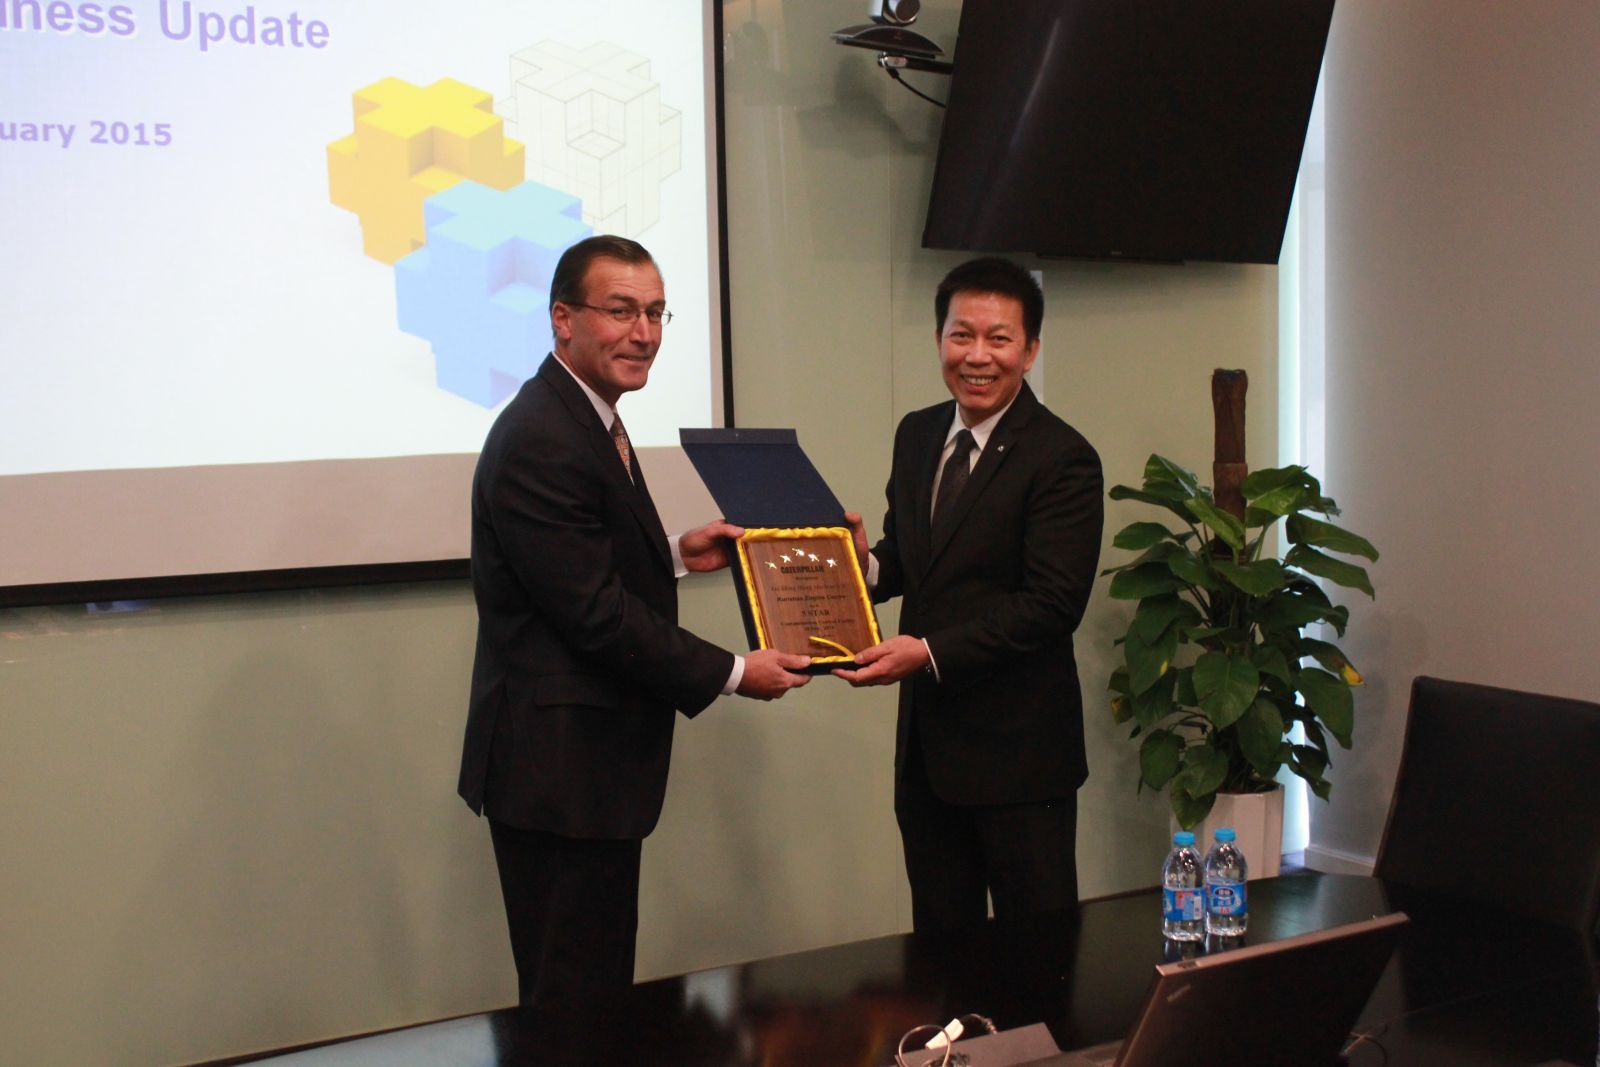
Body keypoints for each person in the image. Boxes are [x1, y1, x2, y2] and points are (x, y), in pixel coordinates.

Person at [457, 235, 811, 1005]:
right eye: (621, 311)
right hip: (560, 777)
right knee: (573, 1005)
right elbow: (594, 613)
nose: (643, 333)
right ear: (563, 318)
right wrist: (733, 671)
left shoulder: (586, 417)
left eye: (656, 313)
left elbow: (579, 566)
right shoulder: (544, 436)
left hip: (584, 773)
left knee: (594, 992)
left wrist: (677, 553)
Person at [838, 256, 1103, 932]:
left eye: (998, 338)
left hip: (1021, 763)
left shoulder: (1063, 457)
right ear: (939, 339)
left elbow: (1052, 604)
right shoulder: (918, 433)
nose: (977, 356)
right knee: (940, 948)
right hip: (928, 758)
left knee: (1036, 953)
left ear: (1030, 350)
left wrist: (927, 652)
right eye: (961, 335)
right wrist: (863, 566)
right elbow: (911, 558)